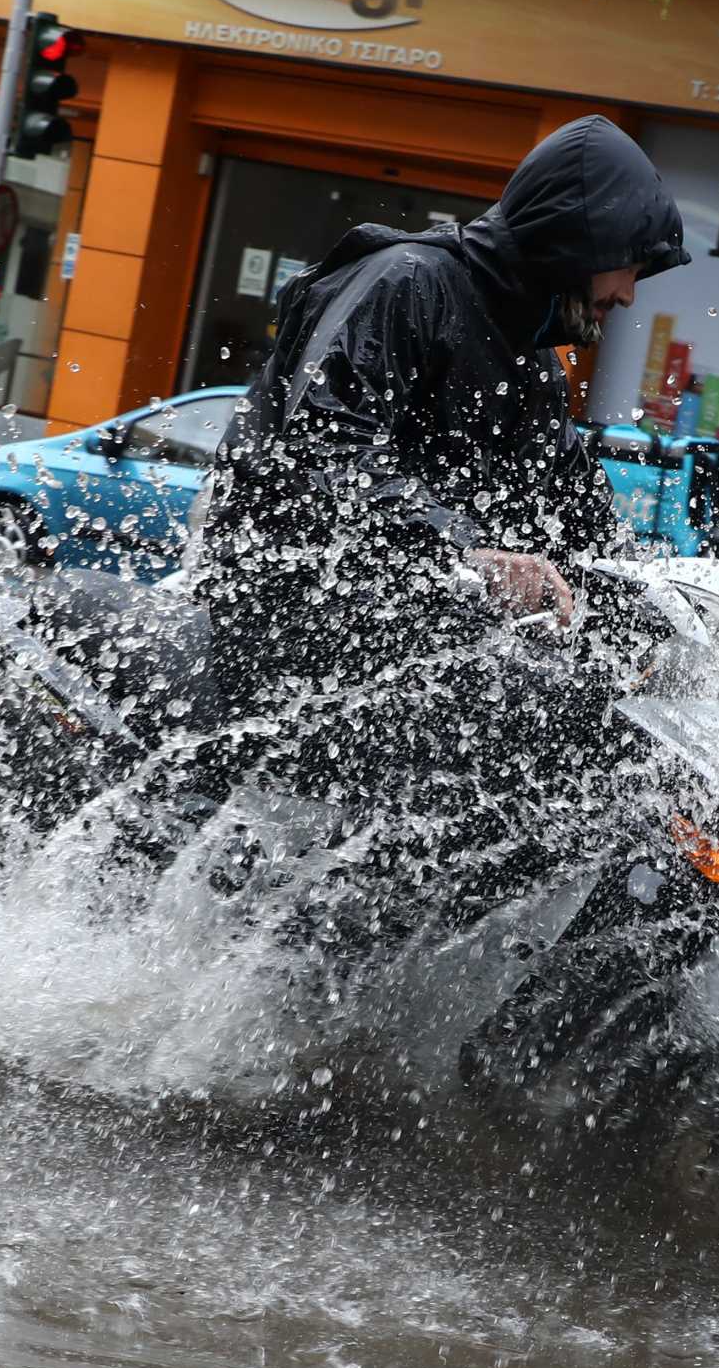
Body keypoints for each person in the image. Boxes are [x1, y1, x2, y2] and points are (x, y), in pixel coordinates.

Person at [185, 115, 687, 885]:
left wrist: (658, 609)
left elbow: (576, 516)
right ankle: (334, 937)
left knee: (590, 717)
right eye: (626, 268)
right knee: (527, 712)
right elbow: (326, 446)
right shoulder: (409, 283)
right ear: (577, 242)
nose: (625, 294)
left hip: (394, 616)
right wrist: (463, 550)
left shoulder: (532, 365)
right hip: (285, 603)